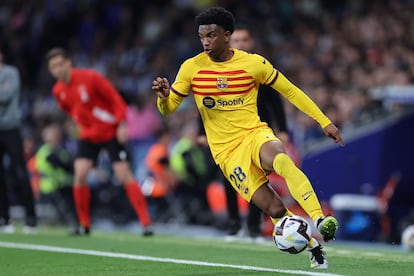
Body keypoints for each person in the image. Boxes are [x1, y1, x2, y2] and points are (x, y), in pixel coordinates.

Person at [152, 7, 344, 269]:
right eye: (202, 36)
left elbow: (291, 92)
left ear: (227, 35)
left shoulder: (254, 63)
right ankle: (314, 246)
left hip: (254, 134)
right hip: (227, 154)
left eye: (211, 35)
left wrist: (325, 121)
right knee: (275, 210)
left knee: (282, 160)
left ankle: (320, 219)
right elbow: (169, 108)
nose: (206, 41)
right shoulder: (191, 67)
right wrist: (163, 98)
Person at [46, 47, 153, 236]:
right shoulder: (58, 91)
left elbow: (114, 98)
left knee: (123, 174)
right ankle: (84, 224)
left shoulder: (90, 77)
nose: (58, 69)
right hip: (88, 135)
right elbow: (69, 109)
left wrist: (121, 124)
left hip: (110, 131)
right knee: (80, 175)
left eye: (60, 64)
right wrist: (77, 122)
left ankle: (146, 223)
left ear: (68, 63)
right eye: (53, 67)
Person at [221, 25, 290, 240]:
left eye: (245, 40)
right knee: (229, 179)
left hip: (258, 132)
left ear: (250, 43)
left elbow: (275, 100)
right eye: (237, 40)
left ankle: (253, 227)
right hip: (228, 135)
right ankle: (233, 225)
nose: (241, 44)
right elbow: (207, 104)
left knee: (259, 179)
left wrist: (283, 129)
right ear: (229, 43)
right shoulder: (219, 69)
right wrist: (201, 131)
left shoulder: (258, 66)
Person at [0, 48, 37, 234]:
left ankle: (31, 218)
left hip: (11, 127)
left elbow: (5, 97)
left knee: (20, 171)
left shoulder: (10, 73)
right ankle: (4, 219)